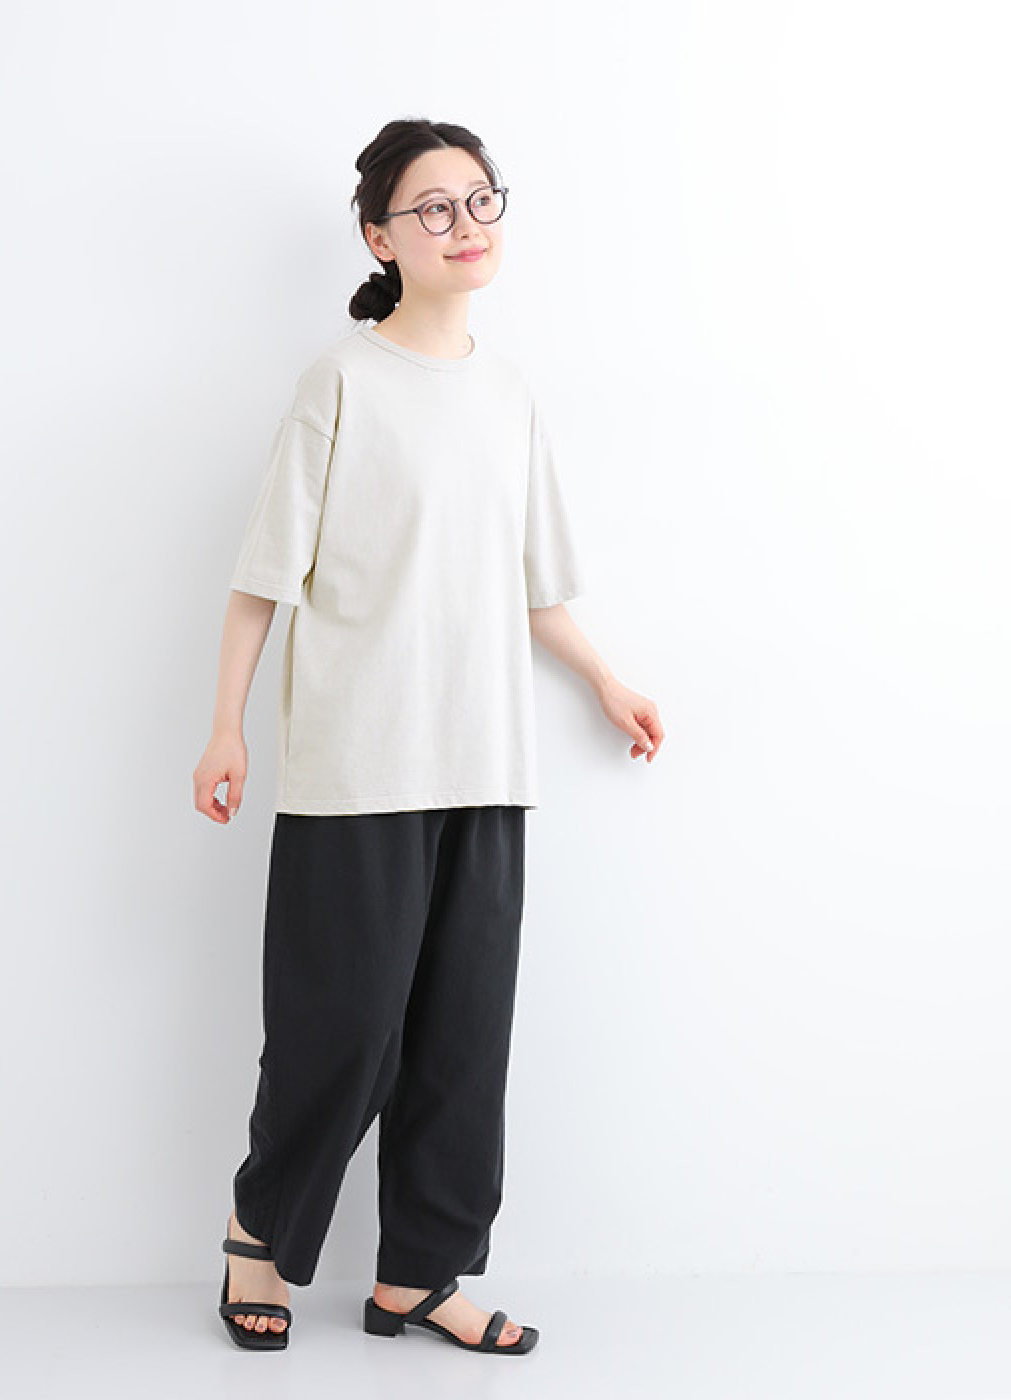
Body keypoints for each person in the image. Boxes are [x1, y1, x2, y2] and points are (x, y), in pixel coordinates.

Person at [193, 116, 665, 1355]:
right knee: (340, 1028)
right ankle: (257, 1233)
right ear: (379, 237)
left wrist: (606, 680)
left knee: (464, 1034)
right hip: (357, 765)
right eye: (434, 208)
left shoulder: (511, 396)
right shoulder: (340, 383)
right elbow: (262, 575)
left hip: (486, 761)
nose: (466, 225)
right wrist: (225, 726)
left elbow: (535, 587)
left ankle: (421, 1270)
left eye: (481, 200)